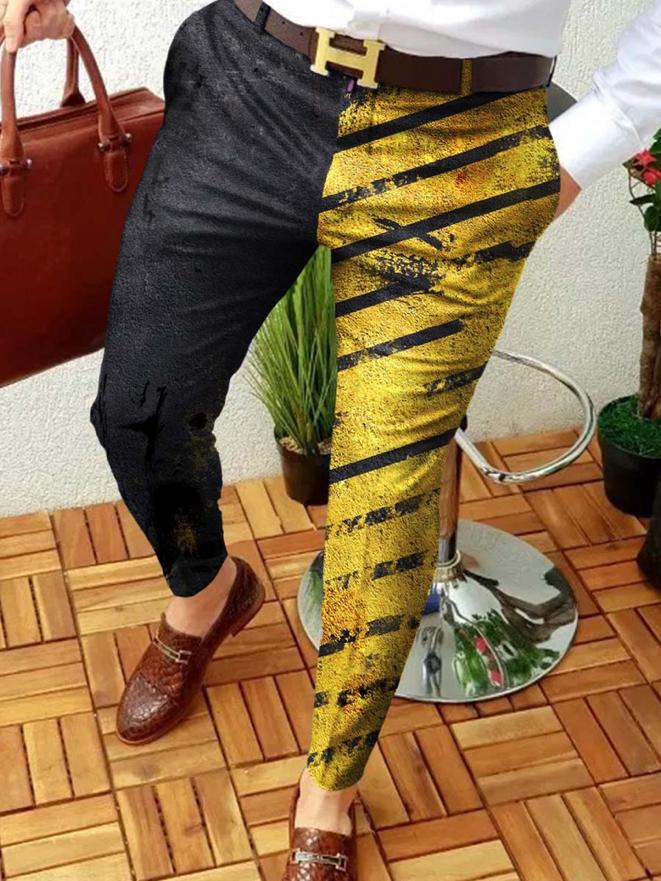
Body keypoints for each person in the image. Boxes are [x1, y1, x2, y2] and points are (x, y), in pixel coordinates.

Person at [2, 1, 659, 878]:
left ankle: (329, 789)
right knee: (138, 408)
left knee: (384, 497)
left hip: (465, 138)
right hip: (248, 80)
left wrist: (591, 136)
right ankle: (207, 592)